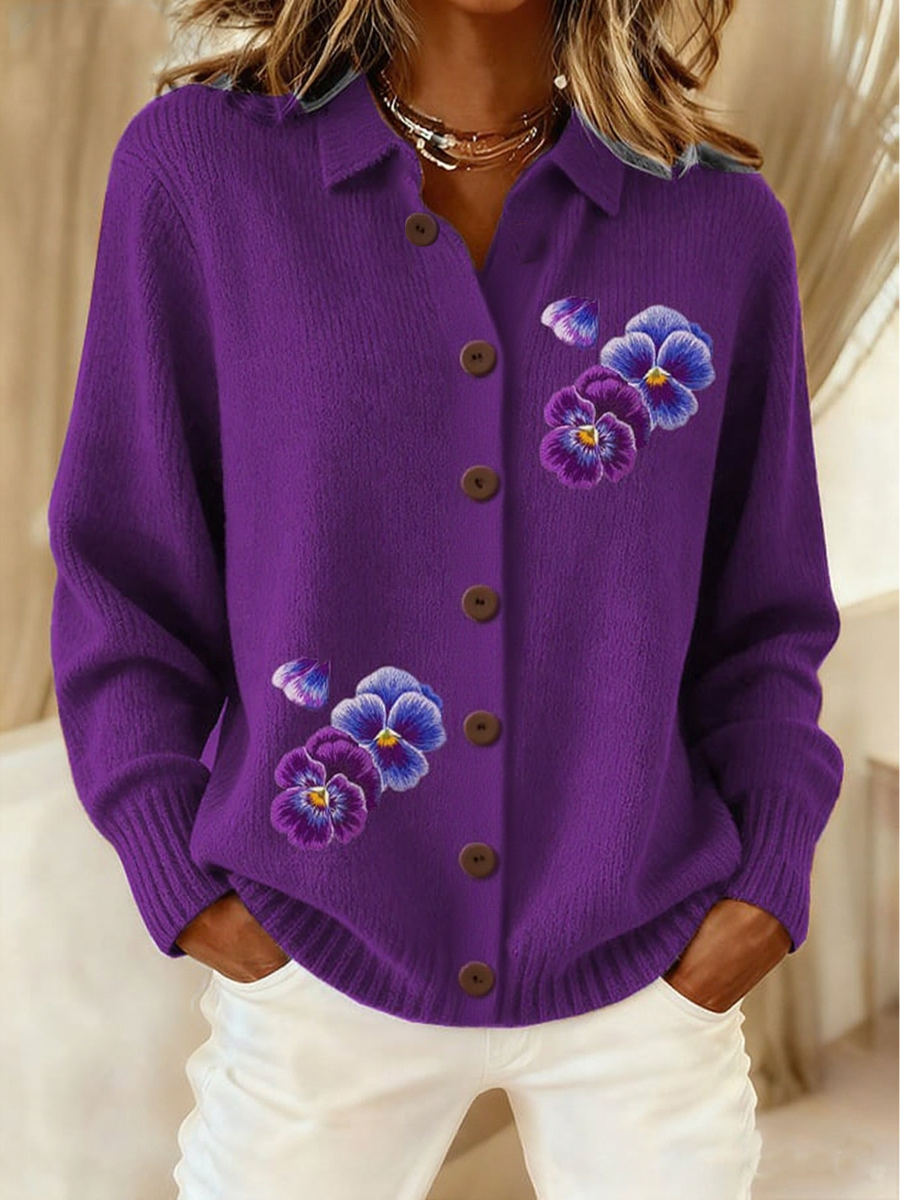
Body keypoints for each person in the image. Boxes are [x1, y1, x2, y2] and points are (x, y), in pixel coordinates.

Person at [47, 0, 845, 1196]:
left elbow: (763, 615)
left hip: (648, 973)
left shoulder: (717, 223)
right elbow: (125, 567)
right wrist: (181, 872)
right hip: (316, 954)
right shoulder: (204, 174)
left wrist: (765, 885)